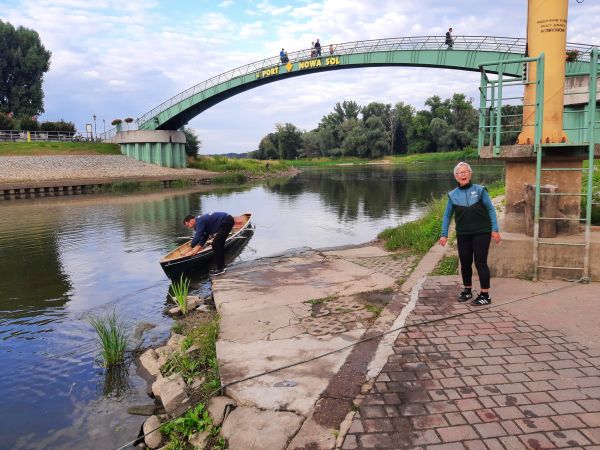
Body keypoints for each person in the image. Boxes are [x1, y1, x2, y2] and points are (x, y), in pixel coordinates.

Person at [438, 162, 501, 306]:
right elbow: (447, 216)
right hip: (463, 234)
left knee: (480, 262)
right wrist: (444, 234)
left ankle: (485, 295)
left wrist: (495, 230)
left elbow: (491, 210)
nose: (463, 174)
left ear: (470, 174)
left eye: (466, 172)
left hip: (481, 232)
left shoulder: (480, 190)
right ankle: (467, 290)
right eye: (460, 173)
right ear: (456, 177)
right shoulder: (452, 195)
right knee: (465, 263)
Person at [183, 212, 235, 276]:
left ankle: (220, 269)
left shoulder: (199, 221)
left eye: (188, 225)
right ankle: (222, 266)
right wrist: (196, 249)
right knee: (219, 244)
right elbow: (204, 237)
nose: (189, 227)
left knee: (216, 244)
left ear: (191, 220)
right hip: (226, 221)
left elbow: (197, 236)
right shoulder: (198, 224)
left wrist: (190, 248)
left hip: (226, 221)